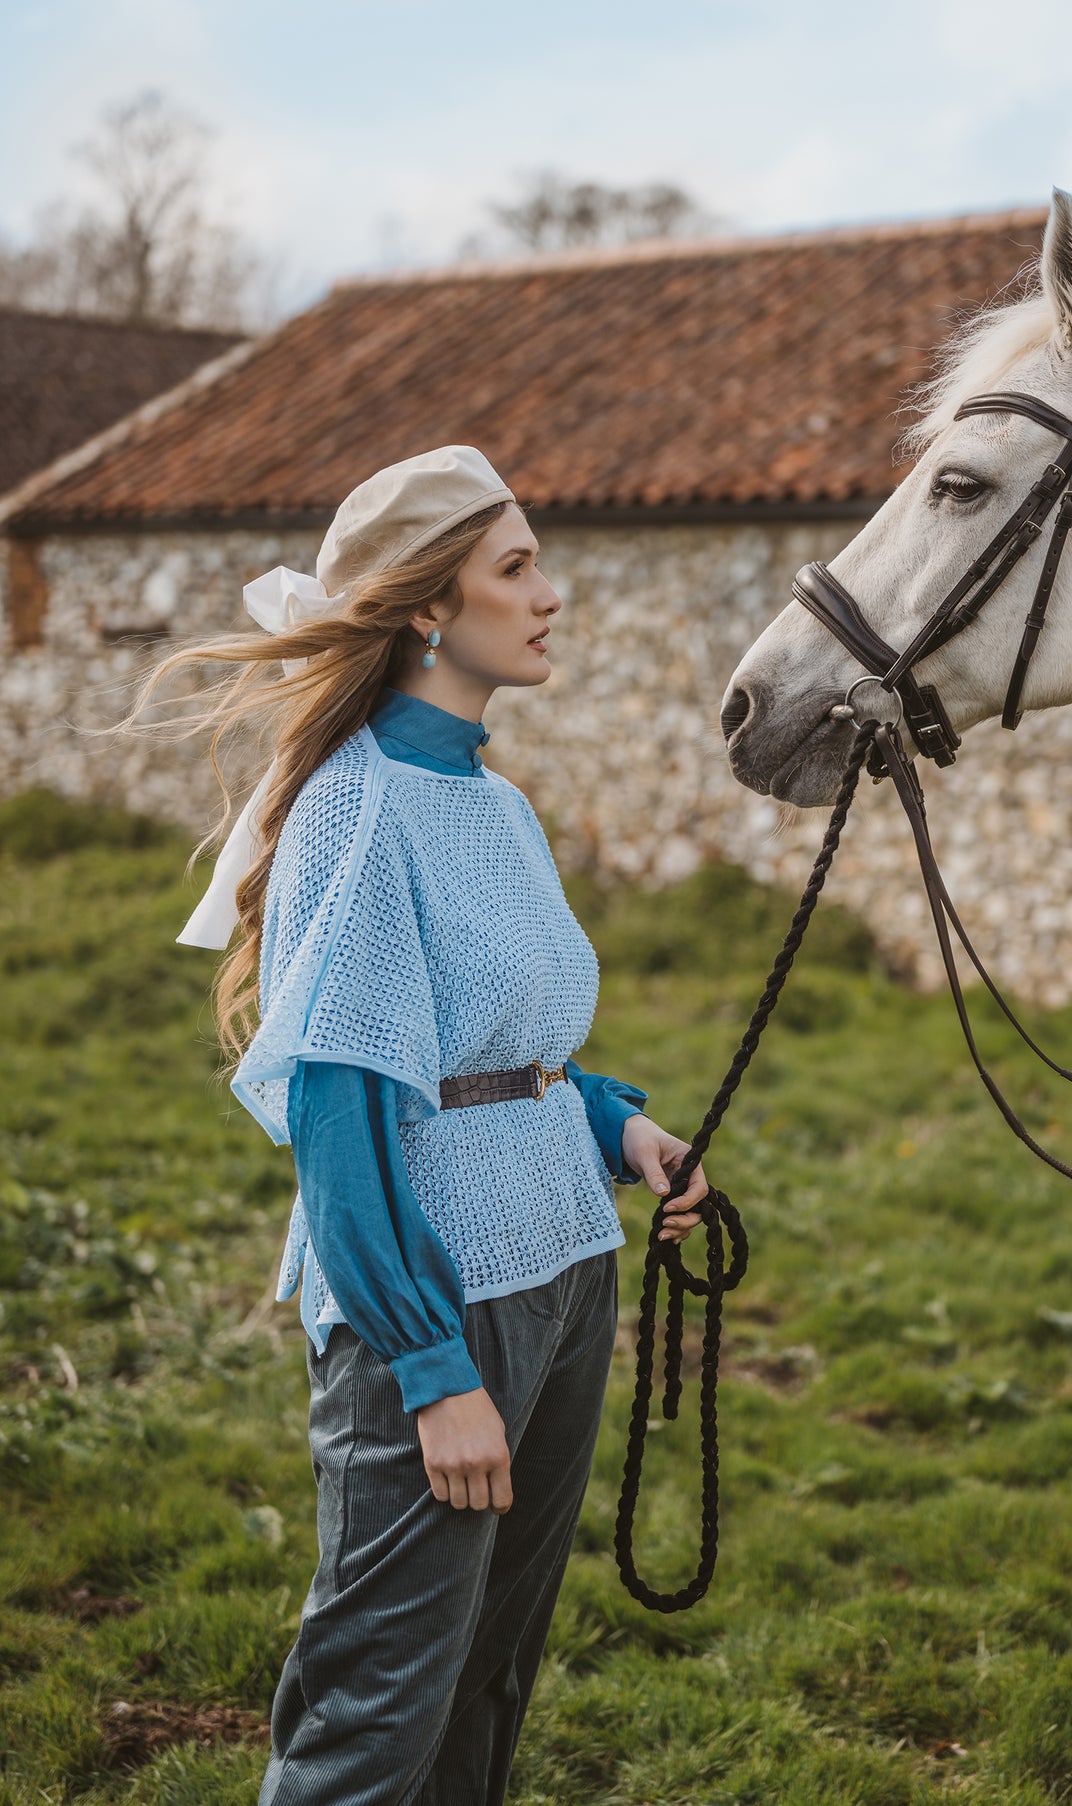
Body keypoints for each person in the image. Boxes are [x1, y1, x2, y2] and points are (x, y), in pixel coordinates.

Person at [145, 446, 709, 1804]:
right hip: (441, 1301)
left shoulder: (496, 801)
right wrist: (429, 1360)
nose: (550, 595)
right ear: (425, 609)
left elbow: (499, 1054)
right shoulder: (355, 805)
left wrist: (617, 1132)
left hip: (567, 1270)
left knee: (485, 1682)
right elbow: (341, 1111)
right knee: (377, 1706)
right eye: (516, 567)